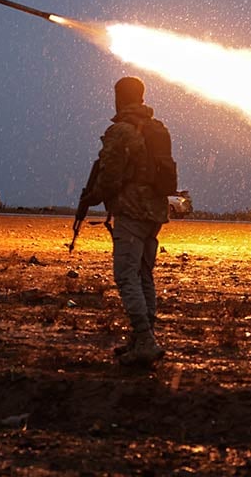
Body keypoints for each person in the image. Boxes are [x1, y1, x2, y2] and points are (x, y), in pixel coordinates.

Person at [78, 76, 171, 367]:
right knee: (144, 276)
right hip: (154, 212)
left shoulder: (121, 131)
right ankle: (143, 337)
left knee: (125, 276)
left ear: (120, 97)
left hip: (131, 212)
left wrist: (92, 198)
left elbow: (110, 176)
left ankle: (144, 340)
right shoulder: (156, 129)